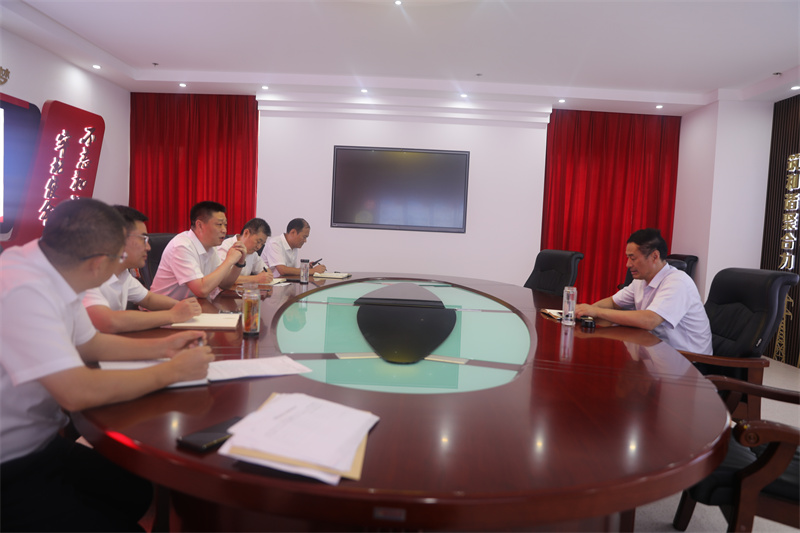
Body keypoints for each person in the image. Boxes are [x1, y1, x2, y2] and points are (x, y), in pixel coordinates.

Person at [0, 198, 213, 532]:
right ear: (98, 264)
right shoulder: (24, 289)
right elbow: (76, 391)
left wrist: (165, 347)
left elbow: (90, 344)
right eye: (118, 260)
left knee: (134, 492)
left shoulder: (53, 266)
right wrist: (172, 371)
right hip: (12, 463)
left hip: (44, 442)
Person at [574, 228, 712, 354]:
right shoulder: (641, 281)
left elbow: (649, 320)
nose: (628, 264)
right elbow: (613, 302)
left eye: (633, 258)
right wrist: (584, 312)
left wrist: (596, 311)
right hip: (658, 352)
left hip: (689, 361)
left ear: (654, 256)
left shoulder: (677, 282)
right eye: (628, 258)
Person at [83, 205, 203, 333]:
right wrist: (172, 315)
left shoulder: (122, 273)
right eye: (143, 239)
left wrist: (181, 306)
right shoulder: (86, 275)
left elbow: (149, 299)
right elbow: (109, 322)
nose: (148, 247)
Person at [151, 201, 247, 299]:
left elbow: (224, 284)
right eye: (219, 224)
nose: (224, 230)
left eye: (225, 225)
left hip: (191, 305)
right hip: (163, 307)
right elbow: (201, 290)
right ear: (200, 225)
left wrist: (239, 263)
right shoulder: (181, 246)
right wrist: (229, 260)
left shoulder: (210, 246)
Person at [262, 218, 326, 278]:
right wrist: (311, 271)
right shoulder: (275, 243)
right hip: (270, 284)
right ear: (293, 232)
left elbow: (290, 271)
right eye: (304, 237)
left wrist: (305, 268)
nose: (305, 241)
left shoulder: (294, 246)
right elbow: (283, 270)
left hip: (285, 282)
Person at [217, 217, 274, 285]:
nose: (259, 247)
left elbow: (267, 272)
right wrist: (255, 279)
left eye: (262, 244)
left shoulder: (252, 253)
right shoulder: (225, 247)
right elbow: (222, 278)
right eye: (258, 242)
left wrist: (267, 276)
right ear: (246, 233)